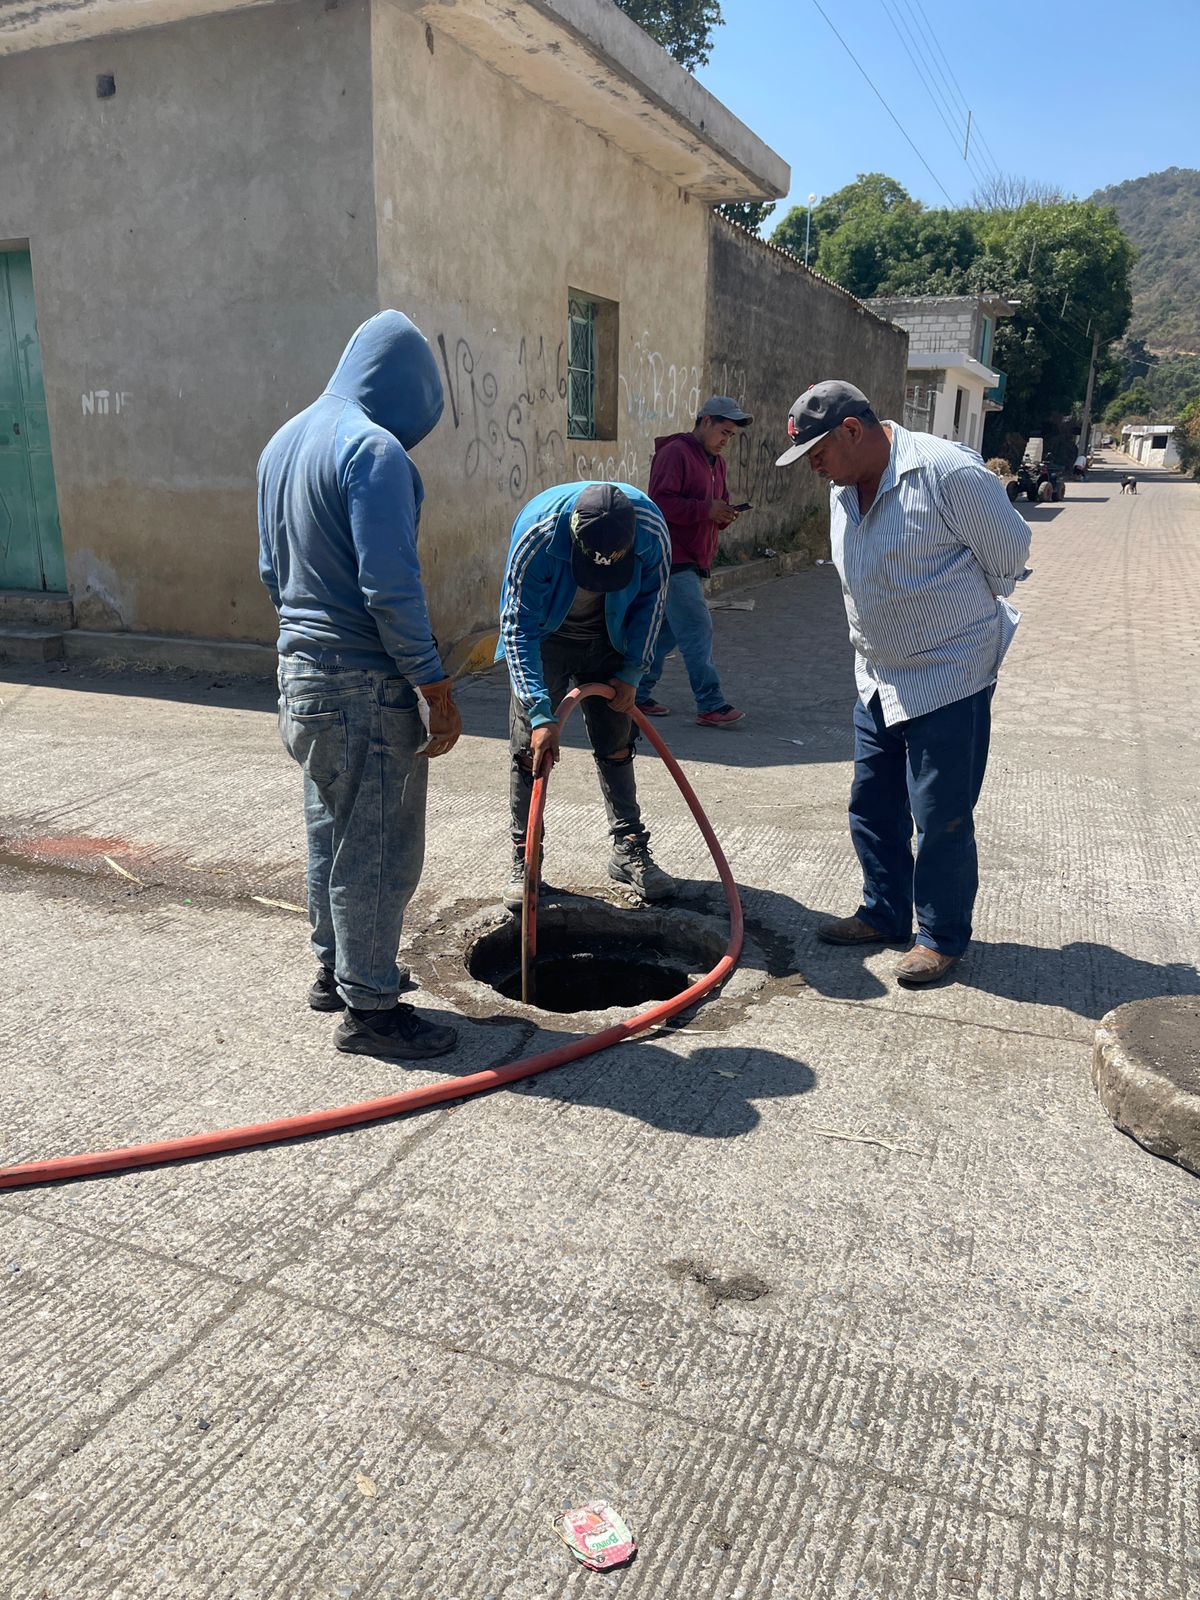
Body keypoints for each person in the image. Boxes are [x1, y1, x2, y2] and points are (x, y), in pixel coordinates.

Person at [776, 380, 1031, 986]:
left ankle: (940, 936)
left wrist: (952, 614)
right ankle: (884, 912)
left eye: (818, 452)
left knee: (940, 815)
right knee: (872, 803)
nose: (814, 466)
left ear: (852, 430)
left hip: (949, 674)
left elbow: (1010, 554)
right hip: (876, 677)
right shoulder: (843, 490)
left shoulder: (946, 472)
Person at [258, 311, 462, 1060]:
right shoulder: (372, 451)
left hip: (300, 677)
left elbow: (272, 572)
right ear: (408, 388)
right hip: (364, 688)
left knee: (330, 830)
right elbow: (390, 589)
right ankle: (371, 1010)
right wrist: (434, 686)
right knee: (377, 849)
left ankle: (335, 970)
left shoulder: (282, 444)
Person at [498, 481, 676, 911]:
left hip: (611, 636)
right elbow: (517, 626)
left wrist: (632, 672)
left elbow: (652, 604)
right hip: (547, 637)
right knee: (531, 750)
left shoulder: (650, 530)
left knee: (617, 741)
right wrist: (540, 713)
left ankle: (628, 848)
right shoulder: (539, 534)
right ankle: (525, 858)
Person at [636, 397, 749, 727]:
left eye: (731, 436)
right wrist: (706, 510)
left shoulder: (718, 463)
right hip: (671, 556)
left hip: (695, 558)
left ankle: (635, 691)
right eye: (723, 432)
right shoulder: (675, 452)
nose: (726, 440)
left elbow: (716, 505)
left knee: (666, 633)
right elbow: (659, 503)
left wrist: (724, 515)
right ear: (706, 421)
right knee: (698, 626)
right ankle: (710, 703)